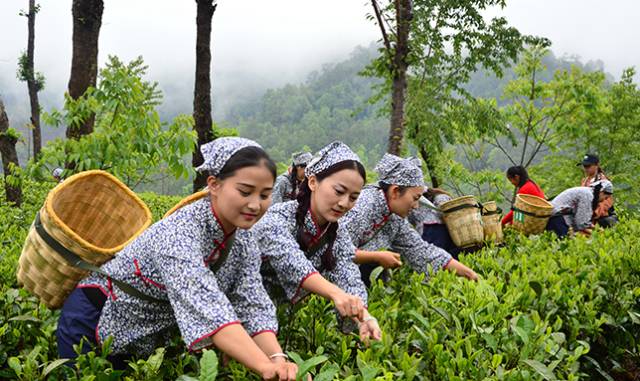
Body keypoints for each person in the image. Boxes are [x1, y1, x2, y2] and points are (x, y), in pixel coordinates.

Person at [57, 137, 298, 380]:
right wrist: (265, 367)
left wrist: (277, 358)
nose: (255, 205)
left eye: (265, 195)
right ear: (214, 184)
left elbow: (252, 303)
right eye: (245, 191)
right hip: (93, 321)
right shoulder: (179, 233)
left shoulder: (243, 238)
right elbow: (208, 308)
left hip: (141, 337)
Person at [253, 141, 381, 341]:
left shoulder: (337, 234)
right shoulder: (277, 219)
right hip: (240, 314)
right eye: (339, 191)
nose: (344, 203)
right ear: (313, 182)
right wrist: (336, 294)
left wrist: (364, 316)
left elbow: (349, 277)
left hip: (278, 321)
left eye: (353, 197)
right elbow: (293, 262)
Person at [341, 153, 478, 288]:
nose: (416, 206)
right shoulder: (362, 207)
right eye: (415, 198)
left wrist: (468, 273)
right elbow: (335, 249)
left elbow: (421, 251)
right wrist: (377, 256)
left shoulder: (394, 219)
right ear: (395, 191)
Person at [545, 180, 613, 238]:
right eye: (605, 197)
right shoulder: (587, 195)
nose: (604, 200)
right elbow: (581, 223)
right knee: (564, 246)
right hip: (557, 218)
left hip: (554, 217)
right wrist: (598, 230)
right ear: (601, 191)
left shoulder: (586, 192)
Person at [408, 187, 461, 259]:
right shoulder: (441, 196)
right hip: (447, 231)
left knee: (434, 260)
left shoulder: (437, 197)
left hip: (429, 232)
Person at [578, 153, 617, 228]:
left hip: (600, 221)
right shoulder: (584, 181)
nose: (585, 169)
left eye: (588, 166)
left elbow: (606, 204)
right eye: (584, 166)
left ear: (597, 165)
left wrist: (591, 214)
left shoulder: (604, 183)